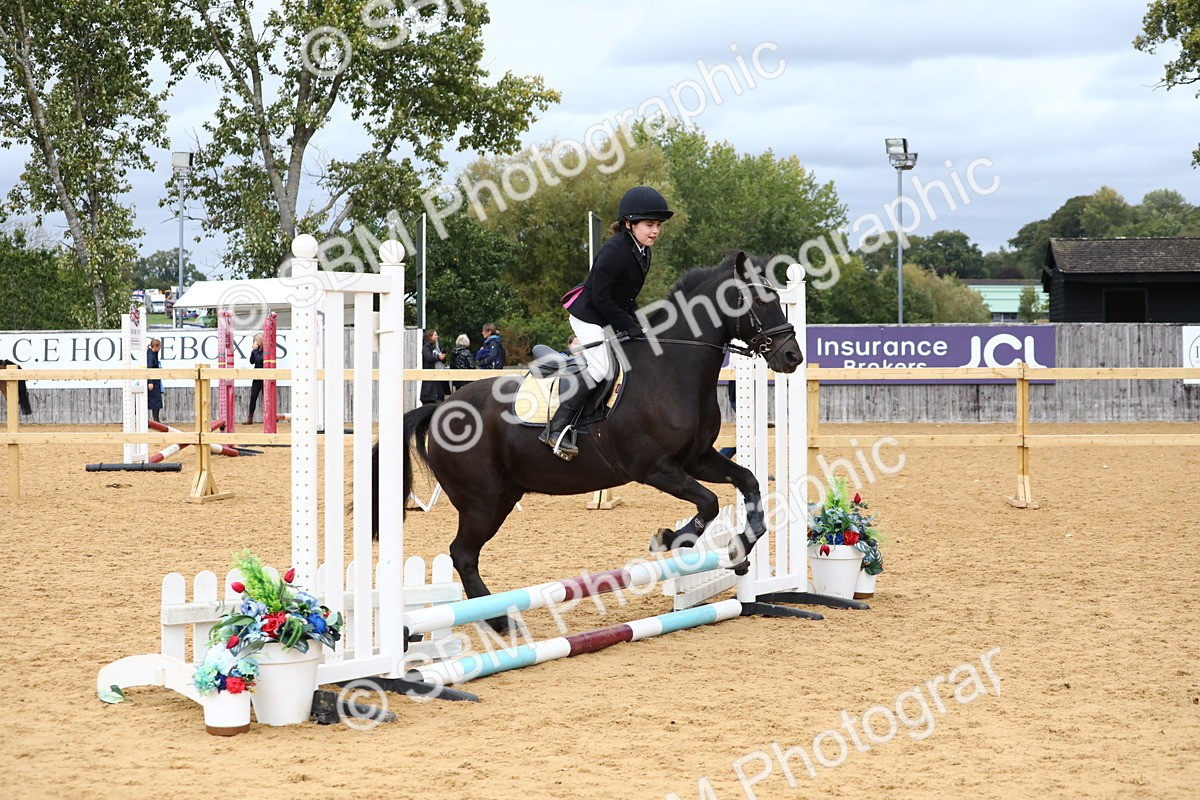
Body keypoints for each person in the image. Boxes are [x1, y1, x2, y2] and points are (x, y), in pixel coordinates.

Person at [543, 185, 673, 457]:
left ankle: (593, 419)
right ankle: (555, 429)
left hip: (607, 314)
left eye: (658, 225)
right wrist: (628, 325)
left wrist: (641, 325)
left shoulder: (642, 251)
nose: (655, 231)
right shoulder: (615, 251)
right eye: (649, 225)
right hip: (588, 316)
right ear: (629, 223)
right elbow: (602, 299)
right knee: (602, 369)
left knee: (626, 361)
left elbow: (626, 297)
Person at [419, 329, 450, 405]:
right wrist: (438, 357)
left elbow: (443, 358)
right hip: (431, 377)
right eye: (435, 335)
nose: (437, 336)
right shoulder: (426, 347)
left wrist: (443, 357)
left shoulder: (438, 347)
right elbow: (428, 358)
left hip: (439, 376)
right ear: (430, 337)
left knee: (440, 397)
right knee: (431, 398)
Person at [246, 333, 264, 425]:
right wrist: (253, 351)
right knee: (253, 397)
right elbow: (252, 361)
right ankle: (250, 418)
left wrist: (255, 351)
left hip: (265, 377)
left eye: (256, 340)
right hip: (257, 377)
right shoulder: (256, 350)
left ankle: (272, 417)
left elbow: (260, 359)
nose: (255, 342)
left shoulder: (266, 350)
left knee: (268, 398)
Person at [146, 338, 164, 423]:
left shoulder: (153, 354)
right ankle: (156, 420)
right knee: (155, 401)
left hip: (155, 381)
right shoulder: (151, 356)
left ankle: (156, 419)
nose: (160, 348)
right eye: (159, 347)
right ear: (155, 346)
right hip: (153, 382)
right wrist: (150, 382)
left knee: (156, 401)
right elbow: (149, 368)